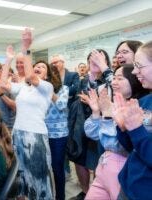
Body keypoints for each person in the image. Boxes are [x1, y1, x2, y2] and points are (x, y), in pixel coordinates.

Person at [0, 29, 54, 199]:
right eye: (36, 66)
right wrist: (8, 60)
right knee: (22, 177)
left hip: (36, 136)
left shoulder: (47, 88)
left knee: (38, 179)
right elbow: (2, 84)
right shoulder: (24, 87)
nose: (37, 68)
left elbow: (30, 75)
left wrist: (26, 48)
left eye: (42, 67)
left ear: (46, 74)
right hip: (18, 133)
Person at [83, 64, 149, 200]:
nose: (113, 82)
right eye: (113, 78)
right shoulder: (115, 104)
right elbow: (92, 133)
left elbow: (117, 144)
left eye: (119, 78)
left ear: (133, 80)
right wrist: (96, 112)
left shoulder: (139, 107)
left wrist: (107, 116)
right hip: (103, 164)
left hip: (122, 167)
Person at [69, 49, 113, 200]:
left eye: (98, 60)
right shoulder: (83, 80)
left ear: (105, 62)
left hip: (102, 125)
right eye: (91, 60)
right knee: (80, 159)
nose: (93, 63)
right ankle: (86, 192)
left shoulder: (111, 79)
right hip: (82, 125)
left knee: (99, 161)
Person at [114, 41, 152, 200]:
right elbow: (131, 147)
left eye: (139, 65)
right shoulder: (145, 102)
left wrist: (137, 129)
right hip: (129, 186)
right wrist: (123, 127)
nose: (135, 71)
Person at [45, 63, 69, 200]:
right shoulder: (38, 90)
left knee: (57, 167)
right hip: (42, 133)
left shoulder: (64, 89)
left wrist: (49, 90)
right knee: (45, 167)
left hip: (58, 135)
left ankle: (60, 197)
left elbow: (60, 105)